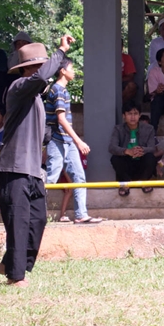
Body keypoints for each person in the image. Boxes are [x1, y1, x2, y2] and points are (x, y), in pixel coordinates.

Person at [0, 35, 73, 286]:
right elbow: (40, 78)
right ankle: (15, 276)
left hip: (32, 171)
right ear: (29, 70)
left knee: (38, 219)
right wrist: (60, 51)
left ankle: (10, 262)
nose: (46, 74)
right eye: (41, 68)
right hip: (14, 168)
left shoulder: (37, 99)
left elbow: (43, 132)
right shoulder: (18, 87)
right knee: (18, 223)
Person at [44, 58, 100, 224]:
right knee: (51, 178)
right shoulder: (58, 90)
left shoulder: (62, 90)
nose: (74, 71)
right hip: (57, 140)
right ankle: (34, 212)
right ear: (63, 71)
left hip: (67, 141)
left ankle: (81, 214)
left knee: (79, 177)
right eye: (71, 68)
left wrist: (74, 141)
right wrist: (79, 141)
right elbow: (61, 119)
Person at [109, 102, 158, 196]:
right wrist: (127, 151)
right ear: (124, 116)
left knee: (151, 157)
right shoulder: (118, 129)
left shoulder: (149, 128)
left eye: (135, 114)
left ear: (139, 115)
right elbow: (112, 147)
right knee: (115, 158)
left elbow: (152, 148)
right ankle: (126, 184)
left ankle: (144, 182)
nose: (132, 117)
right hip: (127, 164)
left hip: (141, 162)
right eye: (129, 114)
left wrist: (142, 150)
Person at [121, 38, 138, 105]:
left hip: (122, 83)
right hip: (106, 84)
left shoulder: (126, 58)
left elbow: (130, 76)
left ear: (122, 47)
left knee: (132, 86)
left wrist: (117, 80)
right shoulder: (105, 58)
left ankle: (120, 104)